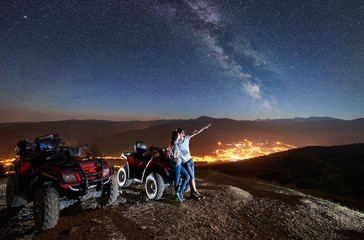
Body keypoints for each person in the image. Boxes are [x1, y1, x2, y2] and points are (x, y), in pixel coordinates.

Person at [176, 124, 211, 200]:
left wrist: (204, 127)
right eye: (182, 132)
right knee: (191, 177)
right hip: (185, 162)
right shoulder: (176, 143)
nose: (184, 133)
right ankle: (194, 193)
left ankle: (194, 192)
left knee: (192, 177)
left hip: (190, 160)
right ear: (180, 133)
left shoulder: (186, 138)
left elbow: (196, 132)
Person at [168, 130, 190, 202]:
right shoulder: (174, 144)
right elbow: (173, 155)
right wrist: (178, 155)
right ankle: (179, 192)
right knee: (180, 177)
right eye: (178, 135)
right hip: (177, 163)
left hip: (177, 163)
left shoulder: (173, 143)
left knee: (184, 177)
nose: (180, 135)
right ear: (176, 136)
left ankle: (178, 193)